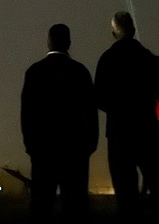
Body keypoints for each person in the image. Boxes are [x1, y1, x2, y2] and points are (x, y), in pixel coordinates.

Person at [95, 11, 159, 218]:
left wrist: (118, 108)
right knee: (158, 188)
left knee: (125, 193)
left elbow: (99, 97)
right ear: (134, 29)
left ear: (113, 33)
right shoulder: (148, 58)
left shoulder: (107, 59)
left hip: (119, 132)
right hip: (146, 129)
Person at [21, 23, 98, 222]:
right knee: (75, 208)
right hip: (75, 152)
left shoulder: (34, 72)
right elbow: (90, 112)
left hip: (43, 151)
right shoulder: (80, 72)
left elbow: (26, 114)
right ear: (69, 43)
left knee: (41, 207)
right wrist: (89, 145)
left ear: (48, 42)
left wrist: (31, 146)